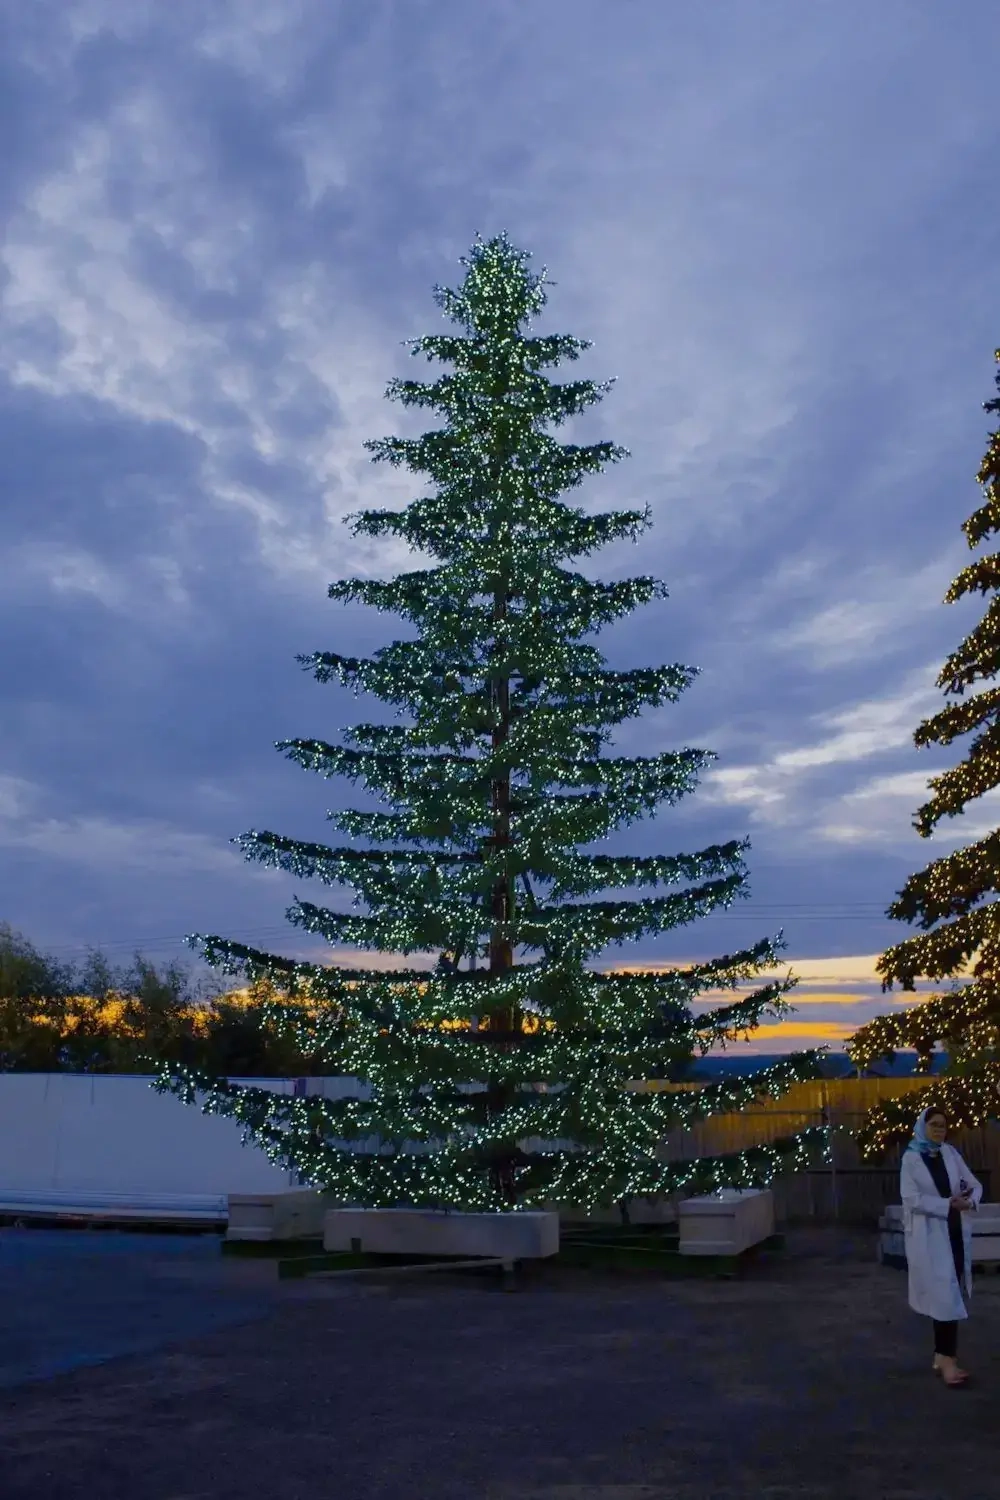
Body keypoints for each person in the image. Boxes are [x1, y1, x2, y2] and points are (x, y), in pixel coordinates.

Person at [900, 1106, 983, 1387]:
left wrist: (969, 1202)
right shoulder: (911, 1159)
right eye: (934, 1125)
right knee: (945, 1298)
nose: (939, 1130)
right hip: (930, 1238)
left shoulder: (950, 1153)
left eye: (943, 1125)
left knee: (949, 1294)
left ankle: (941, 1355)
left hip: (954, 1234)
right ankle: (949, 1362)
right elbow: (911, 1198)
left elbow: (974, 1184)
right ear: (923, 1126)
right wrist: (945, 1204)